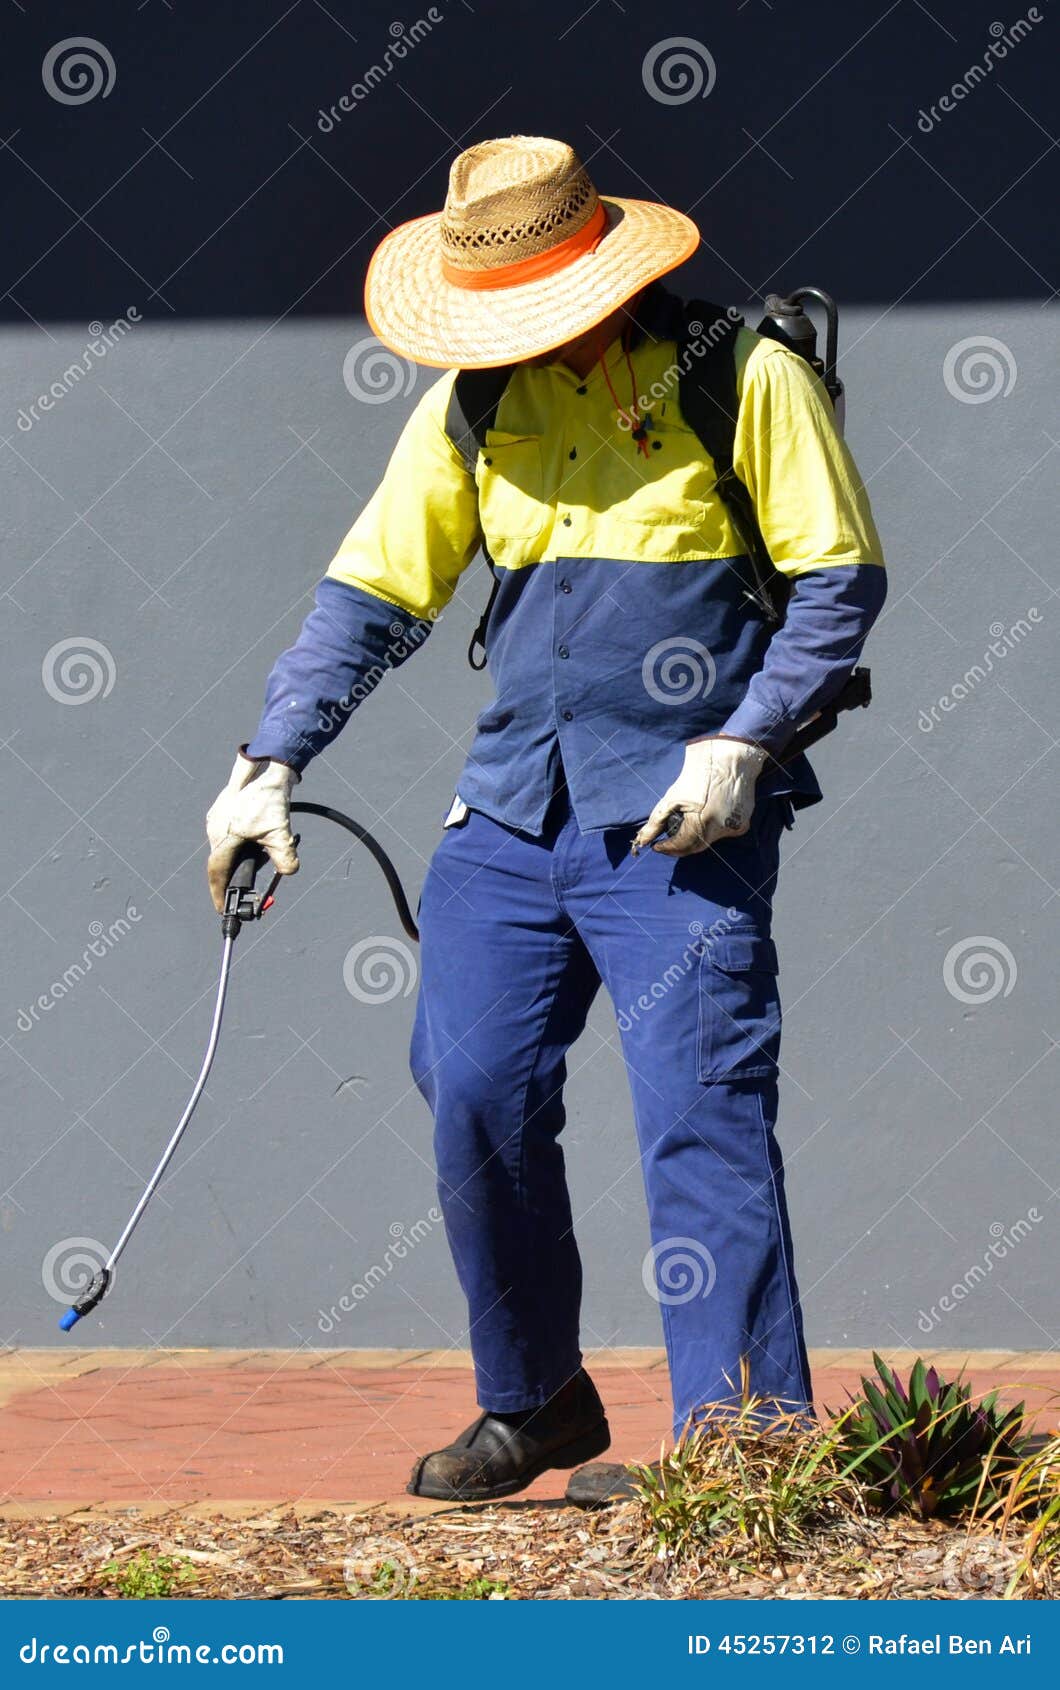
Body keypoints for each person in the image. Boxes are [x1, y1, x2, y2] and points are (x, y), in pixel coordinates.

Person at [206, 136, 886, 1503]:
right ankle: (537, 1402)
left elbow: (840, 584)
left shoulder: (741, 379)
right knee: (473, 1089)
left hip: (683, 820)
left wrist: (745, 740)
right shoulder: (475, 406)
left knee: (701, 1109)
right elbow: (373, 599)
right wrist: (267, 759)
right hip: (514, 811)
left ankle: (744, 1444)